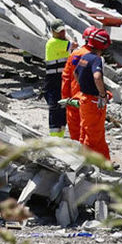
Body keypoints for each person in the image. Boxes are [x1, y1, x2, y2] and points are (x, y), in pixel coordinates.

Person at [75, 28, 113, 163]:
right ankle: (89, 163)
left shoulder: (84, 57)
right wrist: (102, 94)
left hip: (84, 99)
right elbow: (97, 77)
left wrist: (84, 86)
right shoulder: (97, 59)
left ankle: (105, 162)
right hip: (93, 102)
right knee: (94, 135)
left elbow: (76, 73)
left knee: (87, 131)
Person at [61, 27, 95, 142]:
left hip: (73, 96)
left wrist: (65, 98)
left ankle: (78, 149)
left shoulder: (75, 54)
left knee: (75, 127)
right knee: (89, 127)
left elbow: (66, 77)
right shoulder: (95, 57)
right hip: (88, 97)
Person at [44, 20, 72, 137]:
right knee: (55, 109)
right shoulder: (53, 42)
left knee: (62, 108)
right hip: (53, 81)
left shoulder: (60, 41)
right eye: (59, 31)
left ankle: (59, 137)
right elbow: (72, 45)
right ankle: (54, 138)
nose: (62, 33)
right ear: (52, 32)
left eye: (63, 31)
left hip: (62, 80)